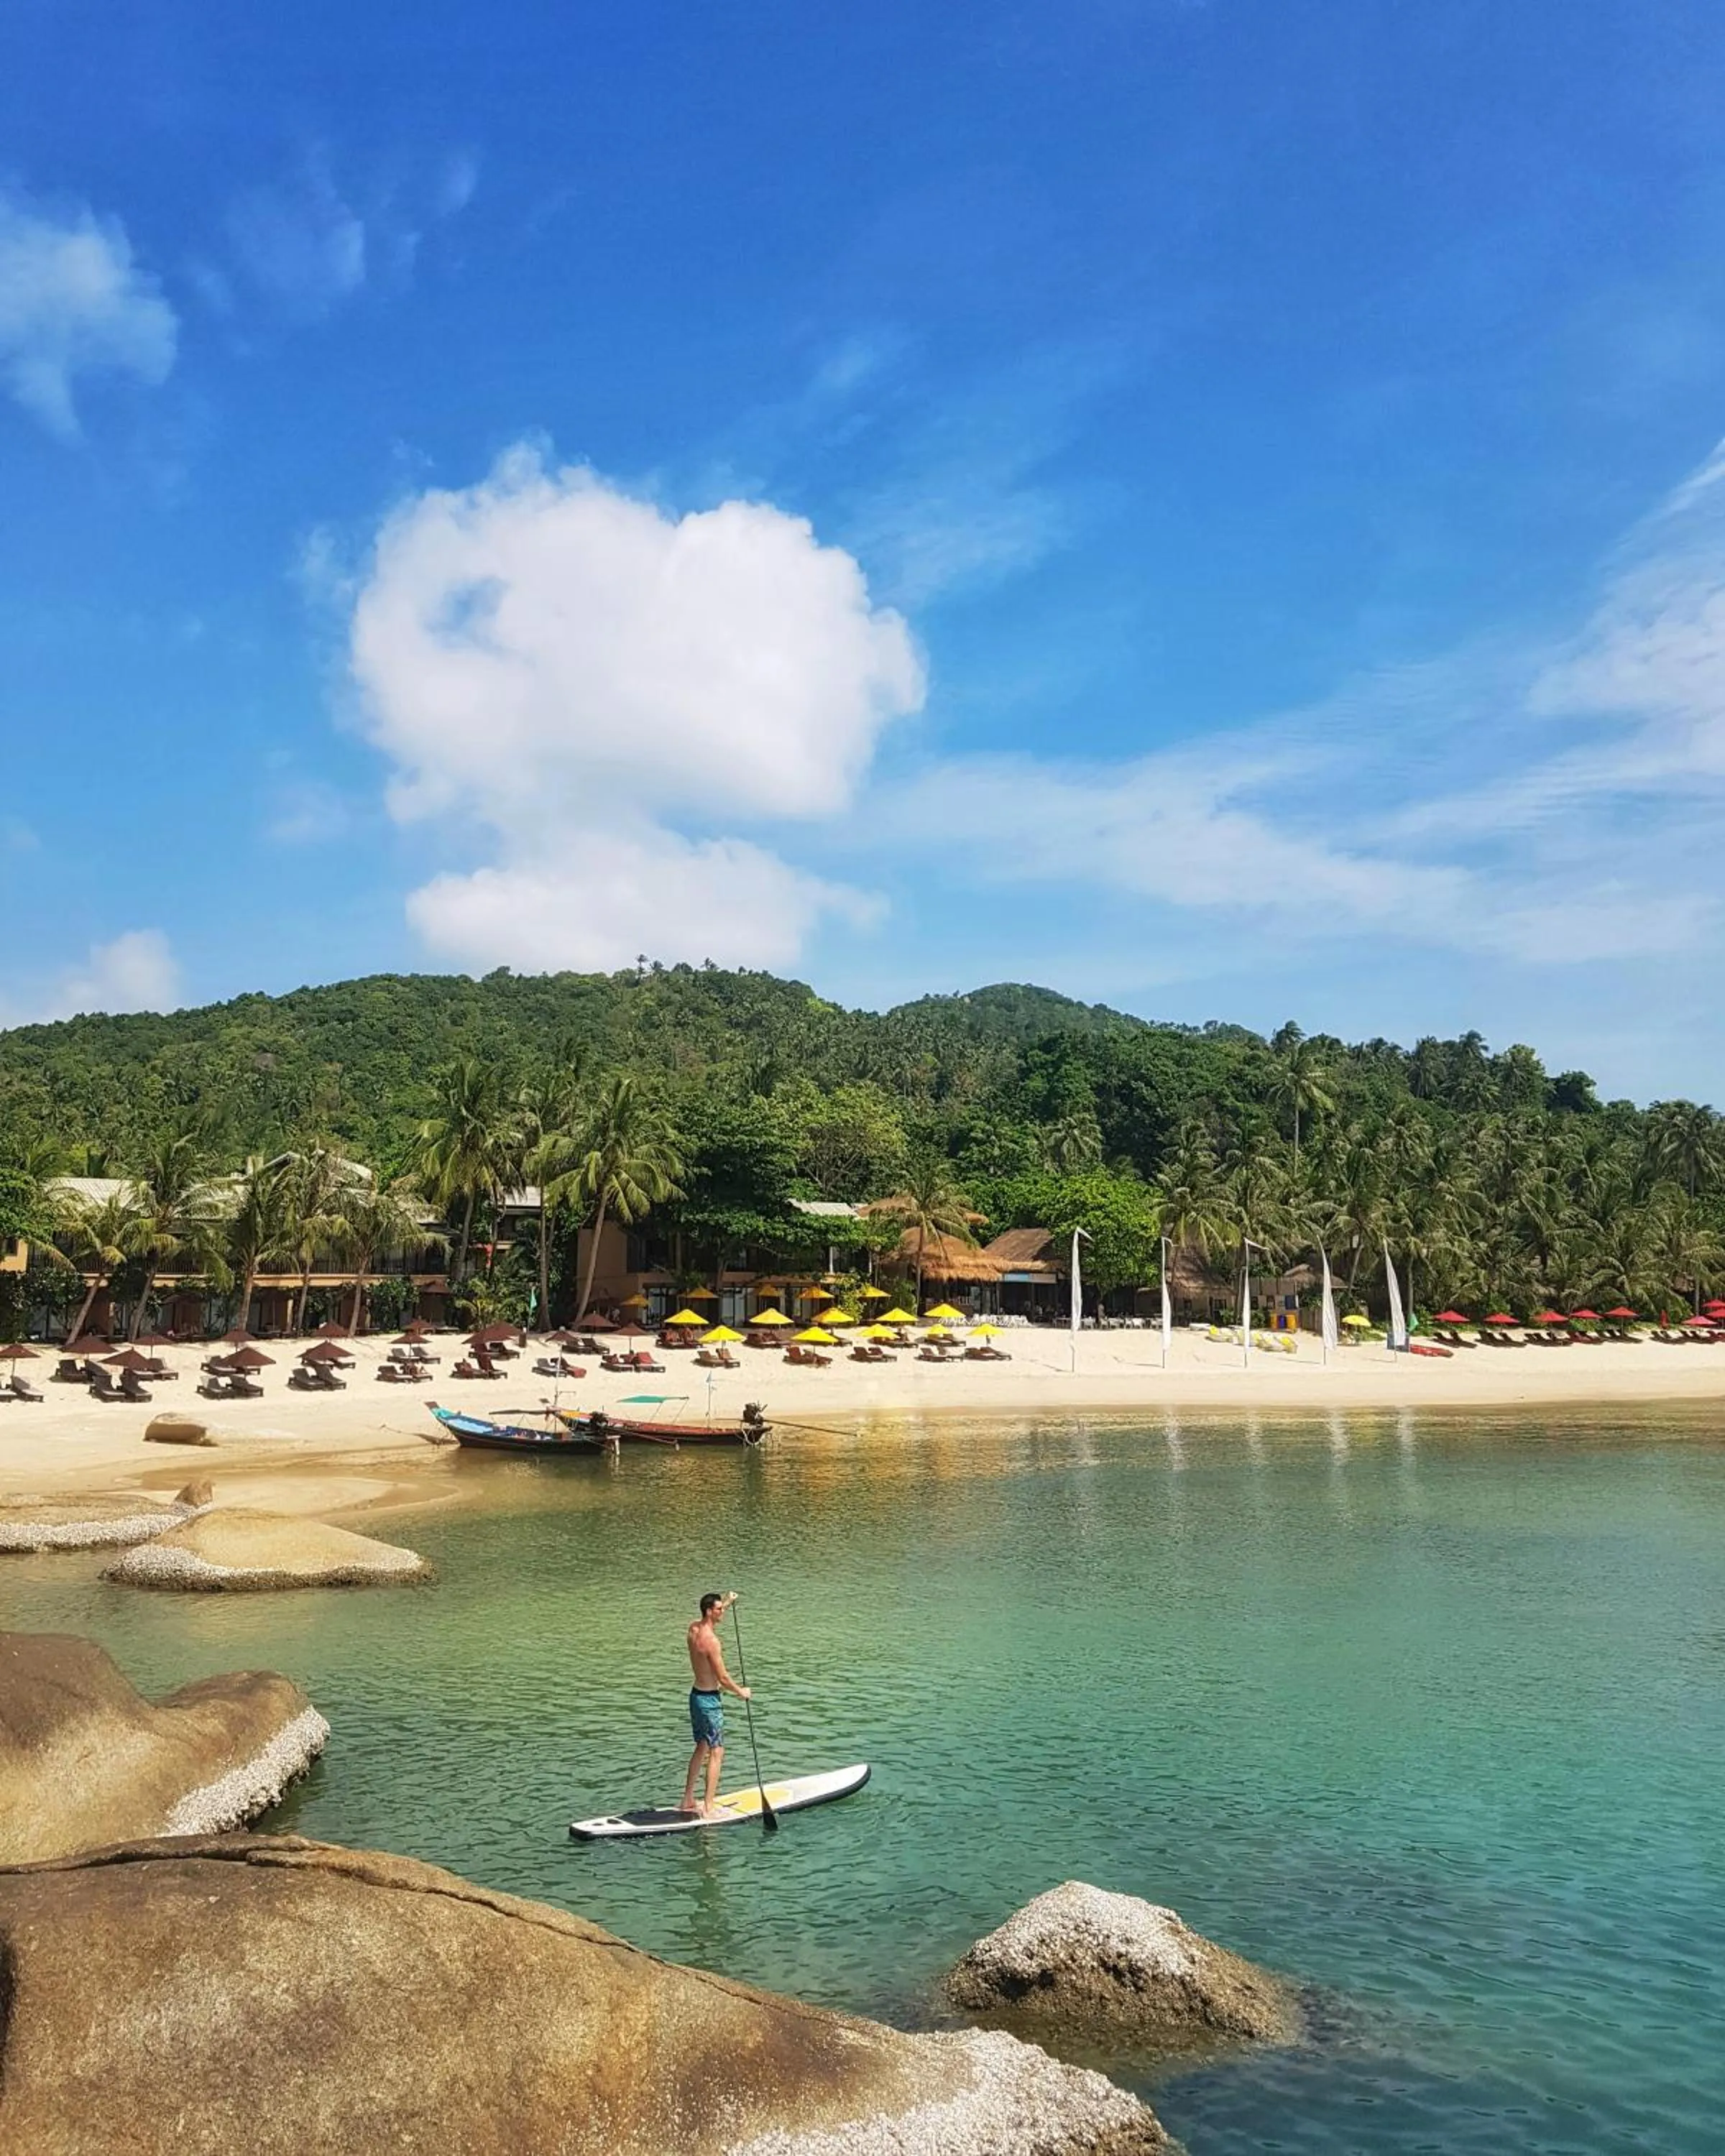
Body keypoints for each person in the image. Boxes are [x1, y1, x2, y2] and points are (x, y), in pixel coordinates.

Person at [680, 1589, 751, 1818]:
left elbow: (707, 1621)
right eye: (720, 1610)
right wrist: (742, 1692)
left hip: (695, 1696)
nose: (723, 1613)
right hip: (710, 1701)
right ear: (710, 1611)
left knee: (701, 1746)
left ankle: (688, 1799)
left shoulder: (693, 1629)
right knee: (717, 1751)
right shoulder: (712, 1642)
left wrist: (728, 1602)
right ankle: (709, 1808)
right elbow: (722, 1678)